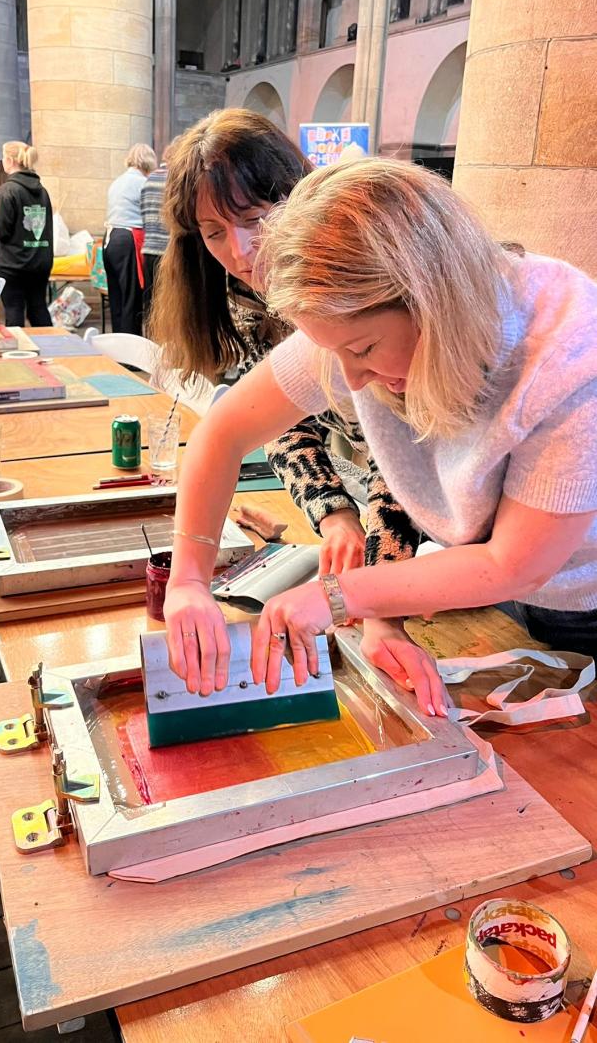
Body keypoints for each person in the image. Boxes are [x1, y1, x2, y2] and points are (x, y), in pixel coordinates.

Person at [163, 157, 597, 717]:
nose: (350, 379)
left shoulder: (568, 354)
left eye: (363, 349)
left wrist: (342, 596)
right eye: (334, 352)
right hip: (487, 583)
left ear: (433, 302)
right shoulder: (353, 322)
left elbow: (515, 563)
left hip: (581, 602)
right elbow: (222, 434)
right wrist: (188, 581)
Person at [149, 108, 422, 675]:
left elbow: (411, 440)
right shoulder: (242, 297)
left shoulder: (360, 265)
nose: (241, 251)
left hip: (431, 515)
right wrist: (333, 514)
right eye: (214, 233)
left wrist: (376, 599)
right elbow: (264, 426)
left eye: (253, 217)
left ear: (294, 194)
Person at [0, 141, 53, 326]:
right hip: (40, 261)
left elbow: (0, 230)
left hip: (13, 264)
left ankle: (17, 352)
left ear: (9, 160)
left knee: (14, 309)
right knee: (38, 308)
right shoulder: (42, 191)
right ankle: (51, 348)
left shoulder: (7, 191)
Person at [103, 143, 157, 335]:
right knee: (131, 299)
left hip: (110, 239)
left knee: (117, 296)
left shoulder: (117, 182)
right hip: (129, 239)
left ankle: (118, 344)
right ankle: (130, 354)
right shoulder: (143, 183)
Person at [140, 157, 169, 323]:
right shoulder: (175, 178)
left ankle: (151, 341)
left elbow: (143, 214)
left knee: (150, 303)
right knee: (168, 302)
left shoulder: (149, 180)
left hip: (149, 247)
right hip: (167, 249)